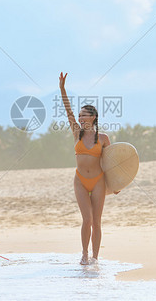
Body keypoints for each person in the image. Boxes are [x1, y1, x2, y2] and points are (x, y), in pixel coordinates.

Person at [59, 72, 111, 265]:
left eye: (84, 115)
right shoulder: (76, 132)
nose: (80, 117)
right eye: (79, 115)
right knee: (87, 219)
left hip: (98, 181)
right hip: (80, 180)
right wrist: (62, 88)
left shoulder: (104, 138)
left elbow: (112, 162)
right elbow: (68, 111)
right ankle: (84, 253)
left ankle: (95, 258)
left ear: (93, 117)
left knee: (97, 222)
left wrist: (115, 185)